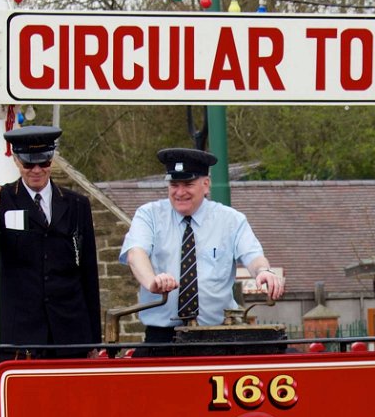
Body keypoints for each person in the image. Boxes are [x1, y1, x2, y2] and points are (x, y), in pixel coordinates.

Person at [120, 147, 285, 344]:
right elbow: (136, 253)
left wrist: (263, 272)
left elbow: (253, 255)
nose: (180, 192)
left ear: (206, 185)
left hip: (217, 336)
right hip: (161, 338)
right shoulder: (148, 215)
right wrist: (152, 282)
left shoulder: (231, 220)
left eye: (188, 184)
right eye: (174, 184)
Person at [0, 125, 101, 356]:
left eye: (44, 162)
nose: (37, 170)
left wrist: (94, 340)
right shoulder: (1, 200)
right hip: (19, 332)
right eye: (29, 164)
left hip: (68, 331)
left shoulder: (76, 204)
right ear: (17, 162)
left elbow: (88, 273)